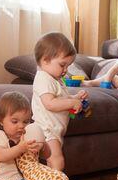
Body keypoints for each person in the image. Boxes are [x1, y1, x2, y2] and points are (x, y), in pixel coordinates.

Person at [32, 32, 89, 171]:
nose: (65, 70)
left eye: (68, 66)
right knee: (57, 160)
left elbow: (60, 99)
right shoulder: (43, 79)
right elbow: (50, 103)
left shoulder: (56, 79)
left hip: (54, 130)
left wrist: (75, 98)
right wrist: (71, 103)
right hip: (46, 130)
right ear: (45, 60)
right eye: (62, 65)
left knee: (51, 162)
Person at [0, 92, 50, 180]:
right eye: (15, 121)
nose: (21, 126)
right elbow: (0, 155)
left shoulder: (29, 136)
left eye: (26, 121)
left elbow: (47, 155)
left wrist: (43, 144)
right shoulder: (1, 137)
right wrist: (20, 148)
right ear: (1, 121)